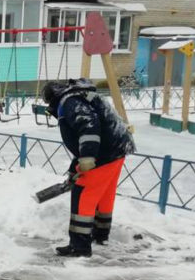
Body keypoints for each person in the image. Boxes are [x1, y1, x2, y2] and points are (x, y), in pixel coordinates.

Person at [42, 78, 136, 257]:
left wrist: (87, 158)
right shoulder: (79, 97)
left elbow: (89, 127)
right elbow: (82, 141)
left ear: (52, 97)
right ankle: (100, 235)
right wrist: (74, 169)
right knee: (104, 195)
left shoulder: (69, 102)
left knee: (83, 194)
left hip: (103, 154)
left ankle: (80, 247)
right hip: (116, 150)